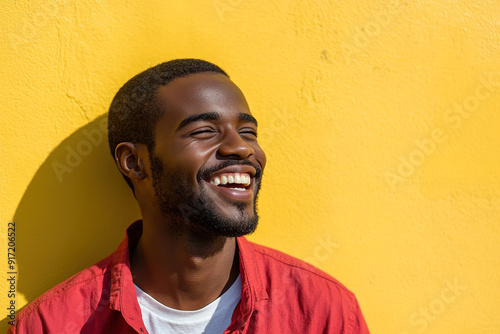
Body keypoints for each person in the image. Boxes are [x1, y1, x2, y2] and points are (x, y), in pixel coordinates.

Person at [9, 59, 370, 333]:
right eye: (205, 131)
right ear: (134, 162)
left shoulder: (321, 311)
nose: (242, 148)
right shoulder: (52, 324)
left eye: (248, 131)